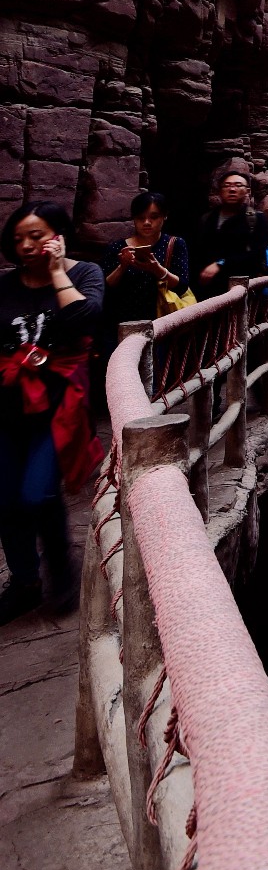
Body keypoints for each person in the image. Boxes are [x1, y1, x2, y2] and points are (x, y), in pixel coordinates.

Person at [0, 202, 104, 624]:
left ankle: (61, 570)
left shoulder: (85, 274)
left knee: (38, 493)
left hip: (57, 406)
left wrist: (58, 271)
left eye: (37, 236)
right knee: (5, 499)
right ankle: (24, 582)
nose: (26, 245)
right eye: (19, 238)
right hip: (7, 405)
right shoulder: (4, 286)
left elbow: (86, 320)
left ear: (59, 235)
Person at [101, 191, 189, 338]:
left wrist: (158, 270)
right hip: (121, 321)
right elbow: (105, 288)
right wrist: (122, 266)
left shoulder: (175, 244)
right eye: (141, 218)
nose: (147, 222)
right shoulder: (117, 247)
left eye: (154, 217)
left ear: (164, 216)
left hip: (160, 321)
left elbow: (182, 286)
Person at [194, 164, 268, 298]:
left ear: (247, 191)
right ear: (219, 191)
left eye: (238, 185)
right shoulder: (207, 219)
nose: (232, 189)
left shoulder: (256, 219)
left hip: (243, 291)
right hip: (209, 291)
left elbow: (256, 255)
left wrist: (221, 264)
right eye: (227, 185)